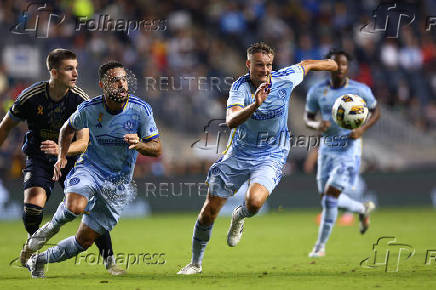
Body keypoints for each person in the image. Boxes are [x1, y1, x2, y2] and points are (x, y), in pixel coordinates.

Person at [177, 42, 338, 275]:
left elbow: (307, 64)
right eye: (259, 65)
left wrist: (333, 65)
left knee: (253, 203)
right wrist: (255, 104)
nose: (265, 69)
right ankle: (195, 263)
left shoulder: (285, 78)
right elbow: (231, 120)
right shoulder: (239, 88)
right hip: (239, 153)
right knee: (209, 211)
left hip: (272, 153)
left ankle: (239, 216)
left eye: (269, 64)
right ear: (248, 64)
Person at [24, 60, 162, 278]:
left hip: (117, 183)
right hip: (90, 169)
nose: (122, 84)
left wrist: (141, 144)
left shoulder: (141, 110)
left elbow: (156, 148)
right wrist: (61, 156)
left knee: (84, 241)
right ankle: (50, 228)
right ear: (103, 85)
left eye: (124, 79)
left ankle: (39, 259)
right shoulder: (89, 109)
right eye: (115, 81)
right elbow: (67, 128)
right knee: (75, 206)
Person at [0, 48, 123, 274]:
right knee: (33, 207)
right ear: (54, 73)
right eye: (69, 68)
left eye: (76, 68)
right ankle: (34, 249)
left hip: (73, 160)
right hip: (38, 157)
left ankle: (110, 261)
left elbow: (84, 141)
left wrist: (61, 150)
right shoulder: (31, 96)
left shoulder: (80, 100)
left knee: (90, 208)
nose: (75, 73)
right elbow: (6, 126)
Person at [304, 49, 380, 258]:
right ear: (328, 66)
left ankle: (319, 246)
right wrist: (318, 124)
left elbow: (376, 111)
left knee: (330, 198)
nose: (340, 68)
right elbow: (308, 118)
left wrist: (361, 129)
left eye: (344, 64)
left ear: (348, 67)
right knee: (326, 198)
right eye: (336, 64)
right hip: (327, 148)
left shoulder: (359, 89)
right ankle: (361, 208)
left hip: (349, 149)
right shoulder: (317, 91)